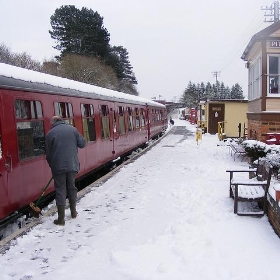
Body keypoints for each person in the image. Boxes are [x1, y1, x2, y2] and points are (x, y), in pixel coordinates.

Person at [45, 116, 86, 226]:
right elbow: (83, 144)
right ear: (62, 121)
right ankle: (73, 213)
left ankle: (61, 219)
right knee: (72, 187)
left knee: (60, 189)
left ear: (53, 123)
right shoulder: (72, 129)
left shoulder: (50, 134)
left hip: (58, 167)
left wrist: (52, 165)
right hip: (72, 165)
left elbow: (48, 155)